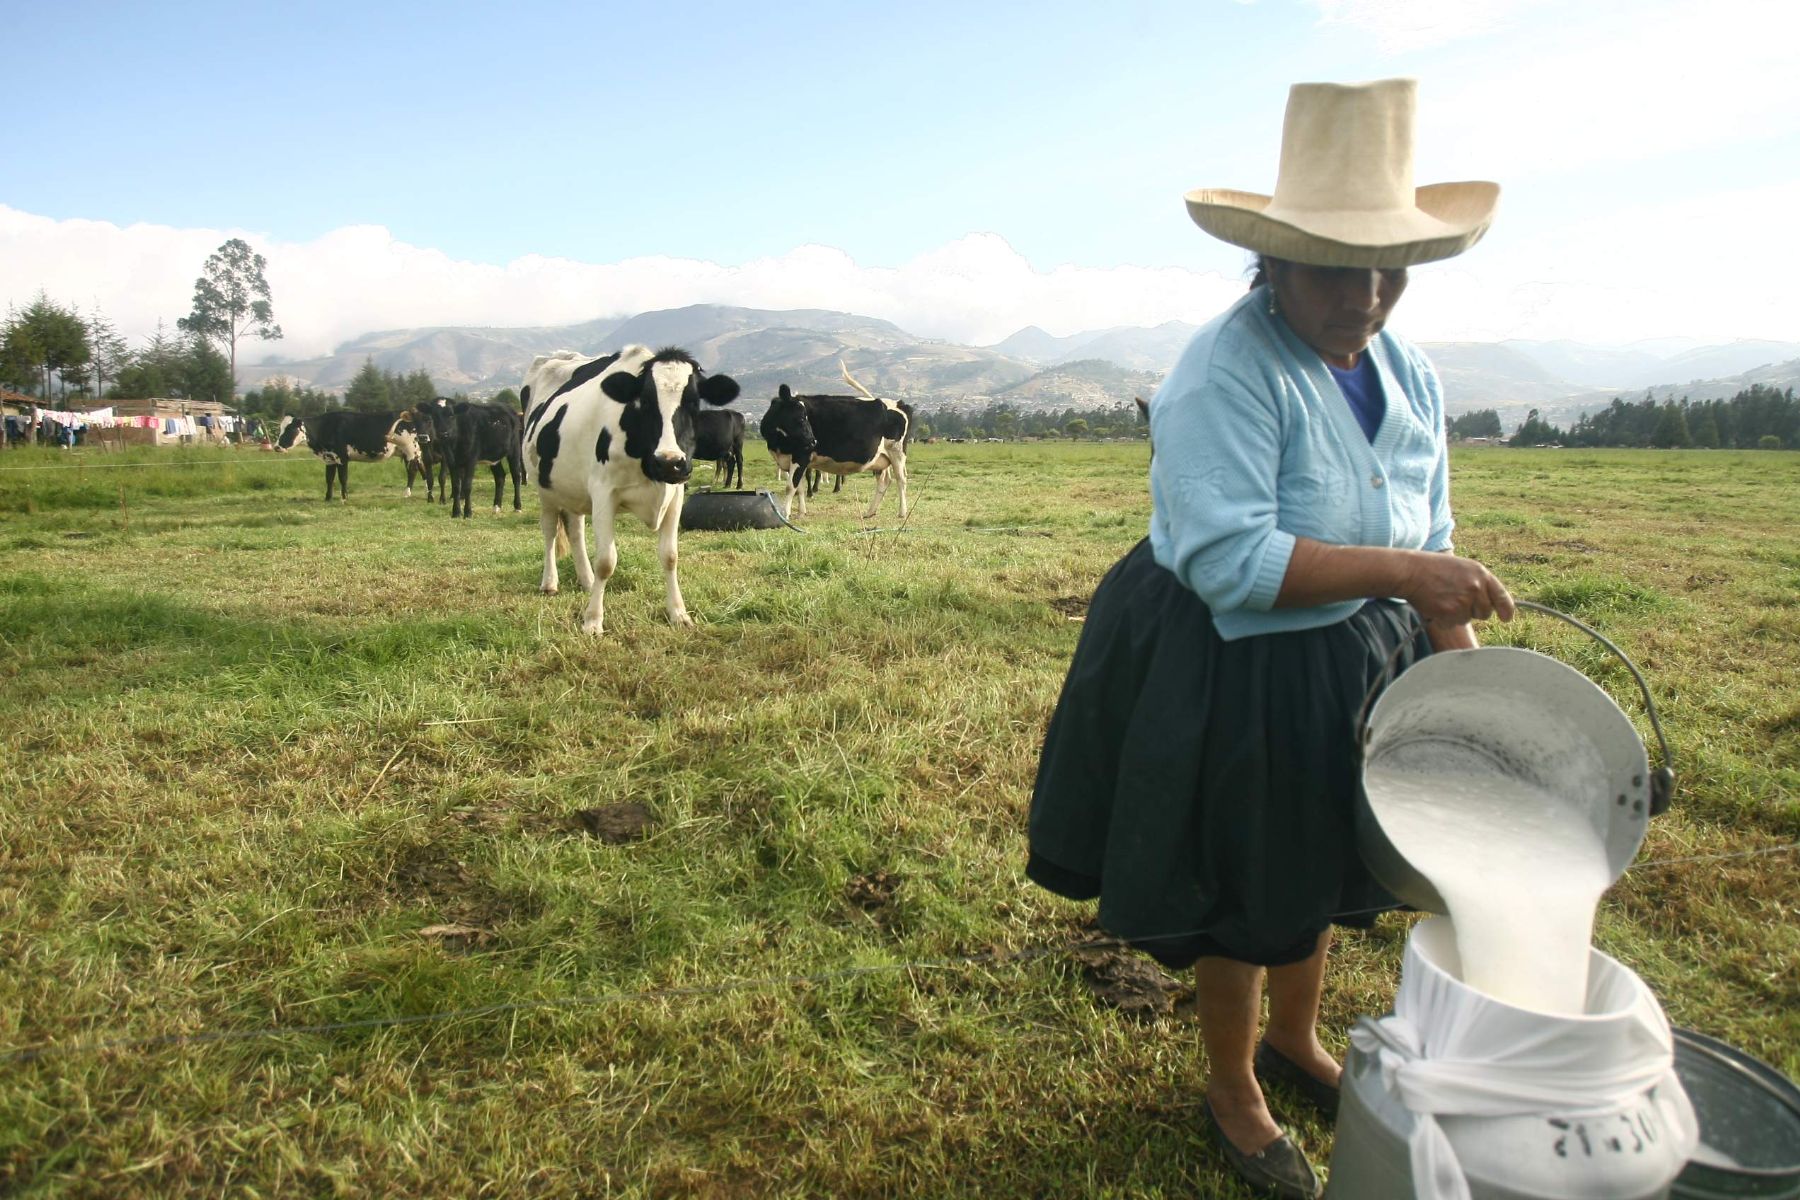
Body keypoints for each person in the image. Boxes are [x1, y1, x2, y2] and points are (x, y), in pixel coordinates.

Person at [1025, 78, 1516, 1199]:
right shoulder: (1227, 368)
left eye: (1389, 270)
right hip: (1233, 654)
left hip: (1353, 650)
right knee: (1252, 874)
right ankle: (1235, 1085)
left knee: (1327, 857)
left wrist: (1467, 684)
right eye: (1339, 270)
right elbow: (1232, 558)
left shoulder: (1406, 372)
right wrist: (1407, 573)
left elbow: (1428, 529)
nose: (1369, 296)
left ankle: (1298, 1041)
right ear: (1273, 262)